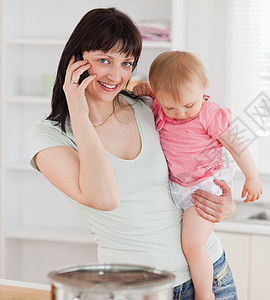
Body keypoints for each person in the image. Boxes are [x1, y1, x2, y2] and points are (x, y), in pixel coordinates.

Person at [27, 8, 238, 300]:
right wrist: (79, 114)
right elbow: (104, 198)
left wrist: (223, 204)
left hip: (209, 276)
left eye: (126, 63)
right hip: (136, 290)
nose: (116, 75)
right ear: (75, 60)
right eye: (104, 60)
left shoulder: (146, 107)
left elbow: (200, 151)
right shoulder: (49, 136)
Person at [133, 51, 262, 300]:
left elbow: (237, 146)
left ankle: (205, 294)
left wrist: (252, 177)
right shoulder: (163, 99)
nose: (180, 113)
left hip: (204, 186)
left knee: (192, 246)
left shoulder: (208, 114)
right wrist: (145, 90)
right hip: (177, 186)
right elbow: (153, 91)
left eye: (188, 105)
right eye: (170, 107)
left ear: (204, 87)